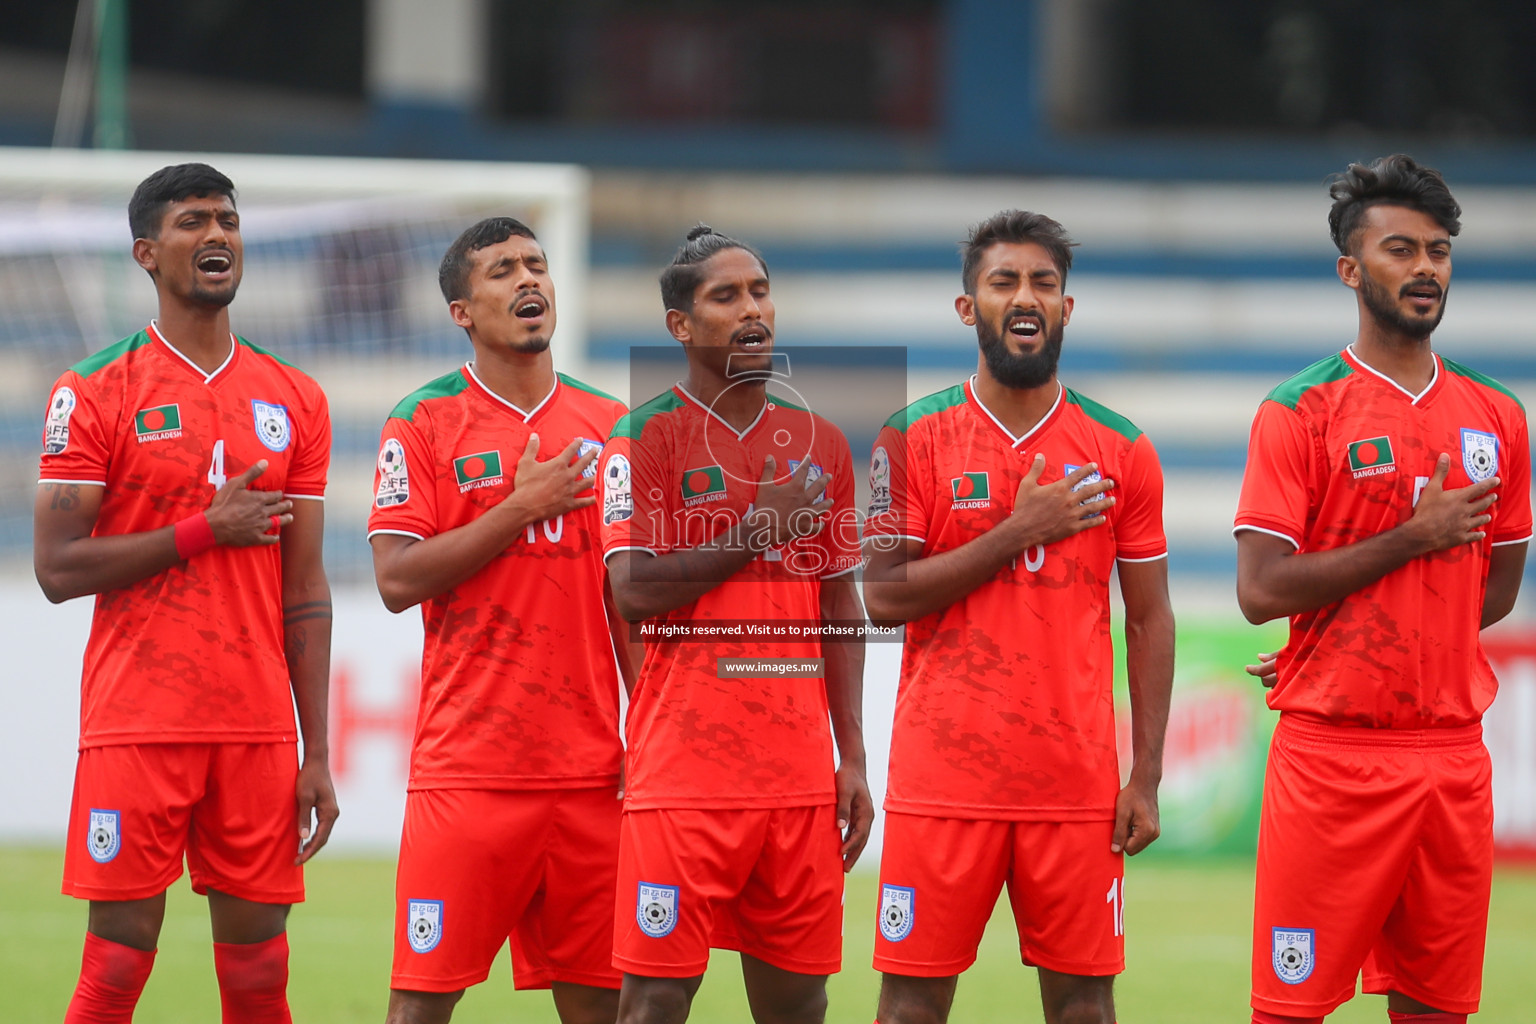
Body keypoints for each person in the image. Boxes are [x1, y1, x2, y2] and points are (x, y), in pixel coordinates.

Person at [34, 162, 337, 1024]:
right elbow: (57, 567)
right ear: (145, 252)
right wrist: (204, 529)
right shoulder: (95, 388)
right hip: (139, 722)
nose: (217, 235)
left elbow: (305, 589)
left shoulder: (294, 398)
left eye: (229, 221)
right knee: (114, 975)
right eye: (193, 221)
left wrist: (314, 749)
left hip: (256, 732)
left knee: (258, 982)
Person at [1234, 154, 1530, 1024]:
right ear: (1351, 269)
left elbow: (1494, 587)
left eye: (1439, 251)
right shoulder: (1300, 411)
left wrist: (1368, 628)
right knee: (1291, 1009)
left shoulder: (1498, 415)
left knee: (1437, 1011)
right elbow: (1260, 589)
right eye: (1401, 249)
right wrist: (1412, 541)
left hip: (1451, 758)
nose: (1427, 269)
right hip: (1333, 764)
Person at [861, 209, 1174, 1024]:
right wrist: (1016, 533)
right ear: (969, 308)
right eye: (1004, 281)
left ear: (1067, 307)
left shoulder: (1122, 448)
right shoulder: (911, 438)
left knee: (1084, 1010)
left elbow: (1148, 619)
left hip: (1073, 785)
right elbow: (882, 594)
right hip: (942, 780)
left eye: (1044, 282)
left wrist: (1144, 772)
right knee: (908, 1011)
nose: (1025, 295)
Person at [598, 225, 872, 1024]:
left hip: (795, 780)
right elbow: (634, 592)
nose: (753, 311)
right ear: (682, 325)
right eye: (727, 297)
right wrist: (758, 526)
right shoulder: (642, 438)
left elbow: (838, 604)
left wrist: (850, 755)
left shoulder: (818, 443)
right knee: (653, 1003)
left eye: (760, 291)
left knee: (799, 1006)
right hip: (684, 776)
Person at [368, 217, 635, 1024]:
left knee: (609, 1009)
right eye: (501, 271)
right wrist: (521, 508)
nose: (528, 281)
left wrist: (649, 733)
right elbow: (395, 579)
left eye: (537, 265)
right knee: (419, 1010)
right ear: (462, 310)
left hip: (595, 780)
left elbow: (630, 601)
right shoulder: (421, 423)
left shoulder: (615, 425)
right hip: (470, 775)